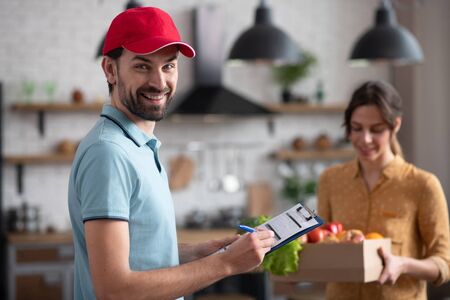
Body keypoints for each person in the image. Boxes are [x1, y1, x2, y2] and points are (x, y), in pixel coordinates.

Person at [68, 7, 274, 300]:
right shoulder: (109, 153)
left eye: (168, 66)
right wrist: (225, 263)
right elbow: (113, 288)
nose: (159, 82)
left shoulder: (138, 147)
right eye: (142, 66)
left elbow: (137, 254)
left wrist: (198, 253)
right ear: (110, 70)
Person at [317, 80, 450, 299]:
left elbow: (444, 264)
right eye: (356, 128)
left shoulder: (422, 184)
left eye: (376, 130)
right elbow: (321, 243)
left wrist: (403, 265)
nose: (365, 139)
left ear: (395, 125)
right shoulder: (331, 180)